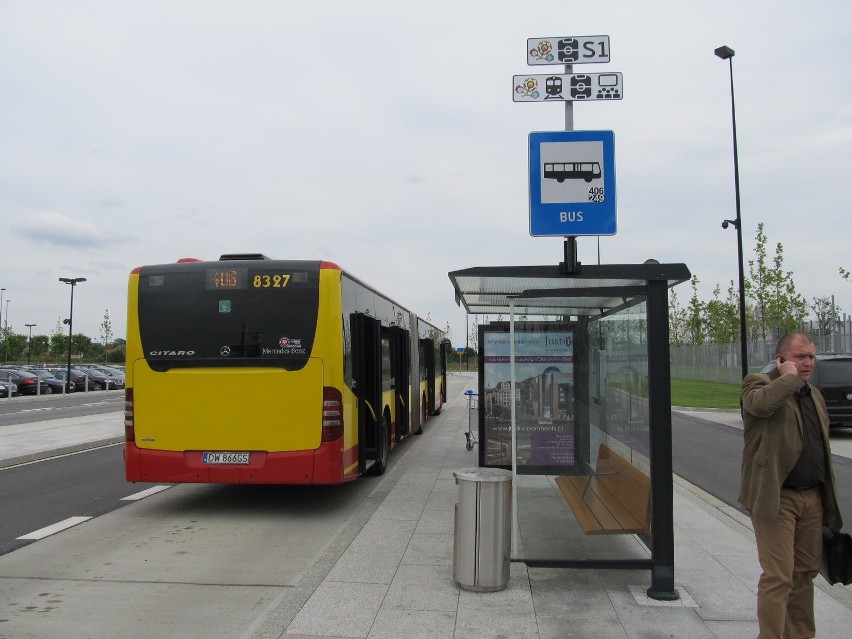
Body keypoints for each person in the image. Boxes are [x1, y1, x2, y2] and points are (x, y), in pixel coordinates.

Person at [740, 331, 843, 639]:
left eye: (811, 356)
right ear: (781, 359)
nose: (808, 363)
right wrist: (788, 379)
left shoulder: (813, 395)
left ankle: (800, 634)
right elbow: (759, 407)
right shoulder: (758, 384)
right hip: (776, 499)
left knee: (804, 575)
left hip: (811, 499)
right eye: (800, 357)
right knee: (779, 576)